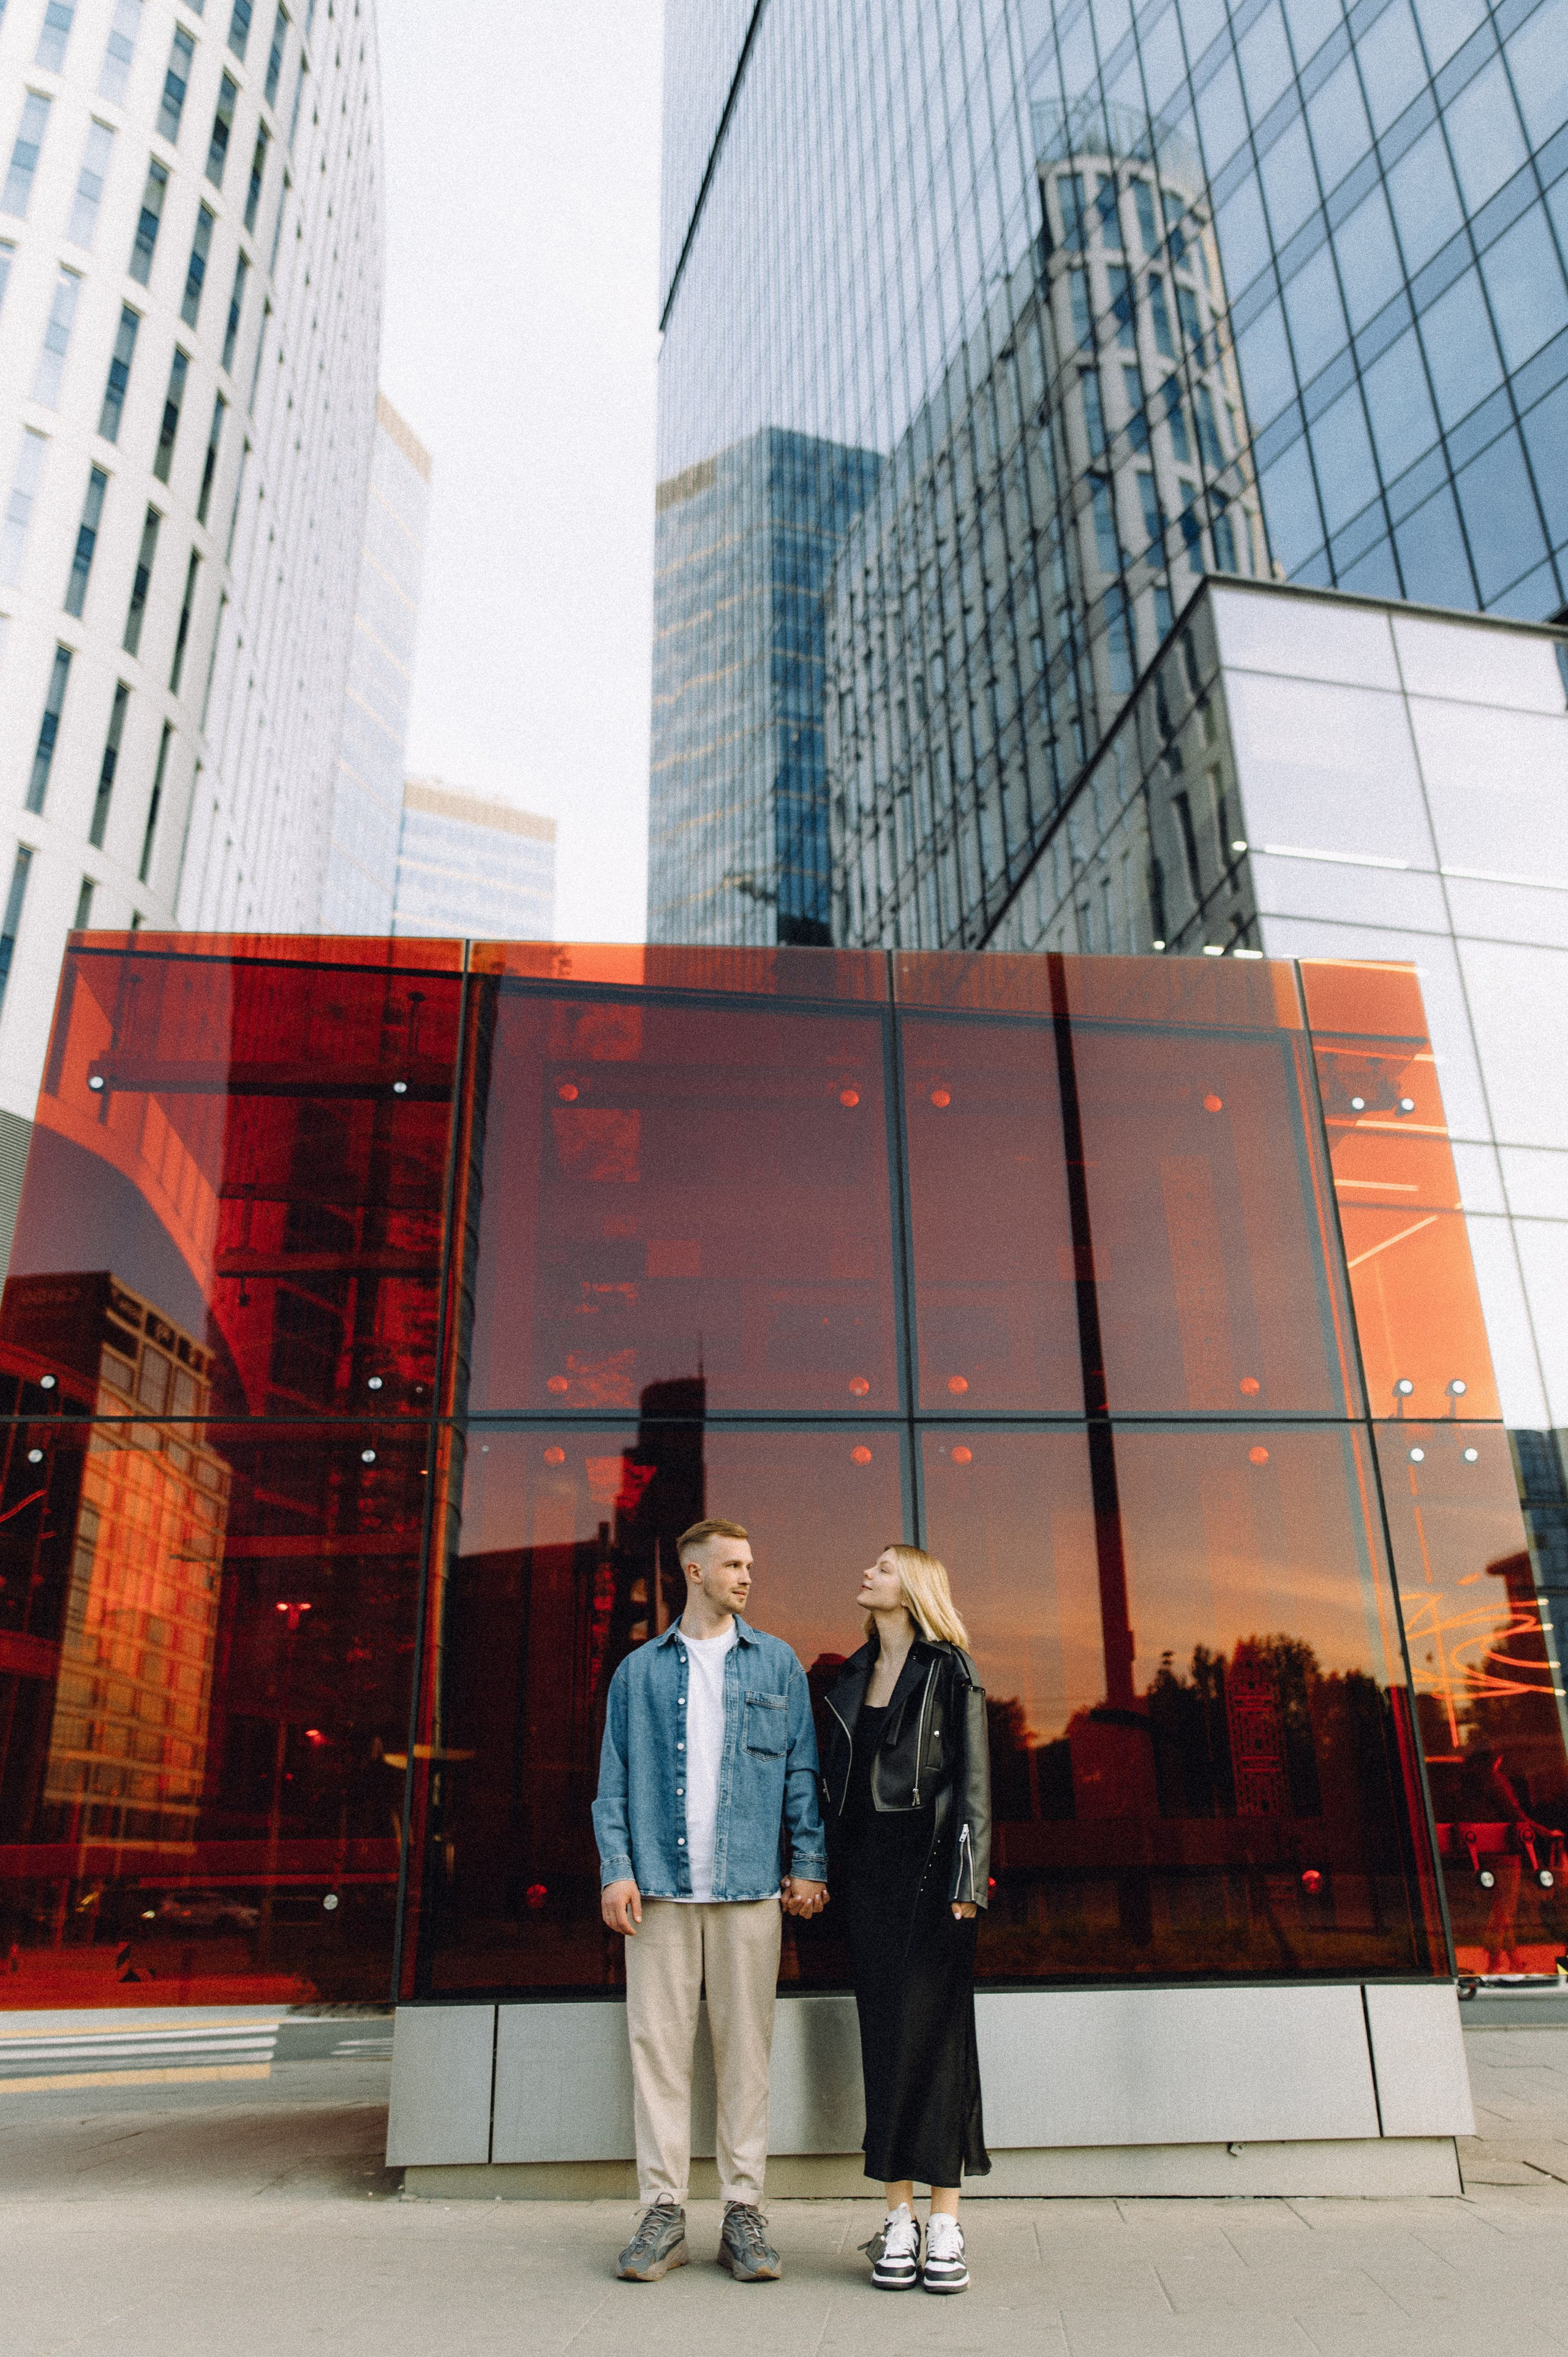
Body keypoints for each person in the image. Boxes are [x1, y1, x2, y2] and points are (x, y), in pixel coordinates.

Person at [593, 1517, 829, 2285]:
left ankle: (742, 2215)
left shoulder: (778, 1663)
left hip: (750, 1890)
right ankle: (662, 2213)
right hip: (657, 1891)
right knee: (656, 2053)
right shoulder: (639, 1671)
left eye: (750, 1564)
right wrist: (616, 1867)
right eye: (732, 1563)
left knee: (745, 2057)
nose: (747, 1575)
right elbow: (613, 1780)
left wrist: (807, 1862)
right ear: (692, 1571)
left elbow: (800, 1773)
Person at [820, 1544, 990, 2295]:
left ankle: (945, 2218)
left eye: (884, 1565)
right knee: (884, 2040)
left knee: (939, 2041)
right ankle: (897, 2216)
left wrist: (968, 1874)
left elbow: (974, 1779)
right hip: (867, 1879)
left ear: (912, 1585)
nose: (868, 1571)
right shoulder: (850, 1674)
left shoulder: (949, 1667)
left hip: (933, 1873)